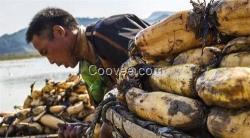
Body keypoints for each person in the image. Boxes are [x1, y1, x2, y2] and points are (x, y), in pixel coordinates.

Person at [26, 7, 149, 138]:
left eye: (46, 52)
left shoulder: (105, 31)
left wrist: (108, 127)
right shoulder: (86, 69)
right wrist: (83, 130)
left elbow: (156, 67)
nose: (50, 61)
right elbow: (104, 116)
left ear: (59, 32)